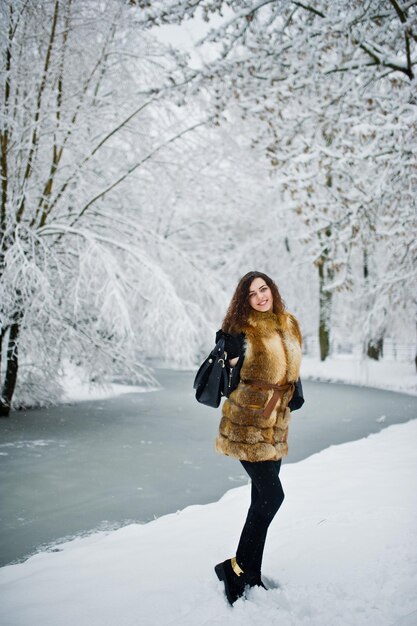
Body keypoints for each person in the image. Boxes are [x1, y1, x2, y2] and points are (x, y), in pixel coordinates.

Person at [213, 270, 304, 605]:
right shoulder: (240, 330)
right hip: (247, 425)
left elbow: (292, 366)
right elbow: (228, 372)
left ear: (272, 290)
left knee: (259, 500)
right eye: (252, 293)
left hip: (276, 423)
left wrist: (295, 392)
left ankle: (250, 571)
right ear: (245, 299)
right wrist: (228, 345)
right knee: (271, 496)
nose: (260, 296)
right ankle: (234, 567)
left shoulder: (289, 322)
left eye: (263, 289)